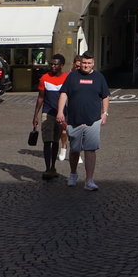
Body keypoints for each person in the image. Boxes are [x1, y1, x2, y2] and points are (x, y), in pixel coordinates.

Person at [55, 52, 110, 190]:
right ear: (80, 63)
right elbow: (64, 93)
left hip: (93, 120)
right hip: (74, 120)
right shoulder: (72, 76)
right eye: (84, 63)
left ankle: (89, 180)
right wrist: (60, 111)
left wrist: (105, 113)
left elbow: (105, 96)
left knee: (90, 150)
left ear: (93, 63)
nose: (86, 66)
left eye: (89, 63)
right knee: (74, 150)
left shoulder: (99, 77)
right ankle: (73, 174)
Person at [31, 54, 68, 180]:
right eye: (51, 64)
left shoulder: (67, 78)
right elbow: (41, 97)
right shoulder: (44, 78)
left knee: (55, 141)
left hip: (61, 114)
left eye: (55, 64)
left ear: (61, 65)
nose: (52, 66)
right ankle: (47, 169)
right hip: (47, 113)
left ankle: (53, 167)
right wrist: (35, 115)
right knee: (47, 141)